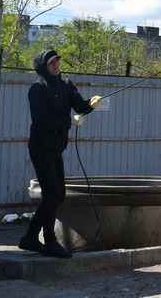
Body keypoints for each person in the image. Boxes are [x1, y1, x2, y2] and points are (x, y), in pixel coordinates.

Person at [19, 49, 102, 257]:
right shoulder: (37, 89)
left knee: (58, 195)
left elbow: (80, 105)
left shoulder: (66, 85)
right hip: (41, 147)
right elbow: (42, 121)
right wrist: (70, 121)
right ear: (43, 67)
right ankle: (49, 241)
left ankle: (29, 238)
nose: (56, 65)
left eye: (57, 61)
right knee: (52, 194)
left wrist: (91, 105)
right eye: (51, 63)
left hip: (56, 146)